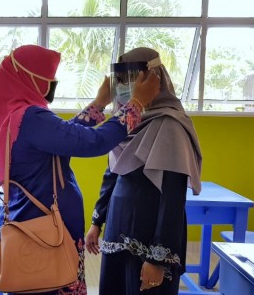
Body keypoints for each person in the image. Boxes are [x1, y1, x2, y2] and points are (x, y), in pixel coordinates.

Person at [0, 44, 160, 295]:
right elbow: (93, 142)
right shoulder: (31, 117)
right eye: (48, 78)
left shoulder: (13, 114)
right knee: (49, 282)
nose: (52, 83)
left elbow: (64, 135)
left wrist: (99, 104)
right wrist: (136, 105)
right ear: (31, 77)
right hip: (48, 234)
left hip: (33, 223)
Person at [85, 47, 202, 295]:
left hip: (150, 234)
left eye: (135, 79)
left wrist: (158, 259)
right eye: (123, 80)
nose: (128, 87)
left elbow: (173, 199)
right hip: (118, 227)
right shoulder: (124, 122)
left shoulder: (170, 125)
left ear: (153, 80)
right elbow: (112, 175)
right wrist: (97, 221)